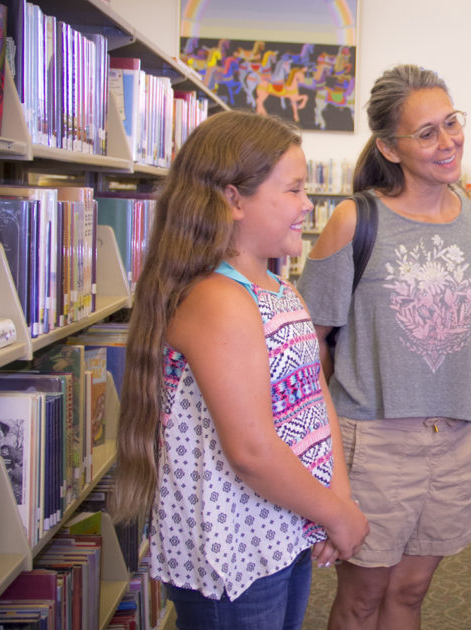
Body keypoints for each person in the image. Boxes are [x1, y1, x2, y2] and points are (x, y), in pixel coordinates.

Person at [111, 110, 368, 630]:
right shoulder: (219, 300)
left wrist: (333, 500)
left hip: (285, 525)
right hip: (236, 548)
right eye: (293, 190)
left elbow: (315, 405)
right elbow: (252, 451)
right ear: (234, 199)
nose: (307, 204)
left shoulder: (278, 288)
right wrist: (337, 513)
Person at [296, 64, 471, 630]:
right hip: (374, 439)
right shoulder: (354, 220)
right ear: (389, 146)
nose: (449, 141)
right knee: (362, 598)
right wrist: (331, 443)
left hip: (454, 439)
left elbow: (465, 334)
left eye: (451, 122)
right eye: (426, 132)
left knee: (410, 594)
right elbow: (313, 339)